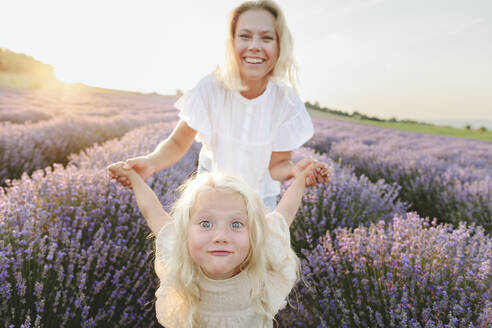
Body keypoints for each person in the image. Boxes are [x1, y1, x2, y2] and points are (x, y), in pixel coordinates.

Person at [108, 0, 329, 211]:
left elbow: (277, 164)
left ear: (280, 45)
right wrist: (150, 163)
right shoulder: (211, 88)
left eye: (266, 38)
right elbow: (177, 143)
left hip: (260, 208)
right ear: (232, 42)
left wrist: (294, 170)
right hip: (209, 203)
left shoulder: (286, 102)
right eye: (245, 36)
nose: (254, 46)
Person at [107, 159, 328, 328]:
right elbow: (153, 212)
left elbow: (285, 212)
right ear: (185, 232)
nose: (220, 236)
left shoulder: (264, 253)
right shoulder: (178, 250)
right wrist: (134, 178)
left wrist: (302, 178)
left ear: (254, 234)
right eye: (205, 223)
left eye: (236, 224)